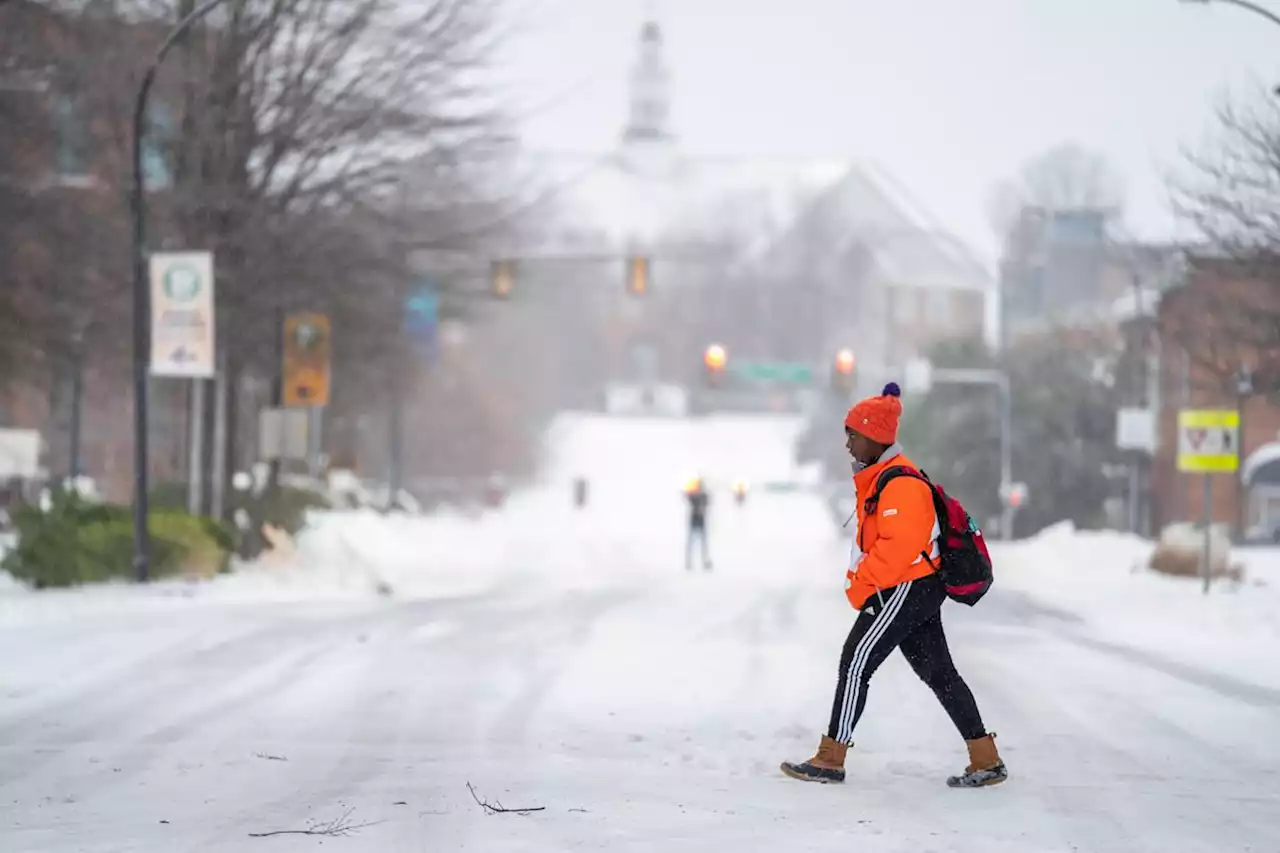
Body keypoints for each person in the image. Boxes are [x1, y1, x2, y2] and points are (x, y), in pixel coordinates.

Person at [780, 383, 1007, 788]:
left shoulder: (900, 485)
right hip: (913, 586)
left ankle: (830, 759)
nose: (848, 444)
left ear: (874, 436)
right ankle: (985, 757)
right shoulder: (882, 479)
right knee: (938, 672)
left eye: (853, 434)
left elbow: (897, 551)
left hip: (907, 587)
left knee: (855, 663)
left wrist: (860, 586)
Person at [684, 477, 712, 571]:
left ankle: (703, 561)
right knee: (693, 542)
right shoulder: (694, 495)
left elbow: (707, 501)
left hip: (699, 519)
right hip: (695, 518)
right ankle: (690, 562)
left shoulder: (702, 495)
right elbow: (687, 497)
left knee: (701, 542)